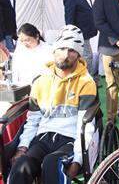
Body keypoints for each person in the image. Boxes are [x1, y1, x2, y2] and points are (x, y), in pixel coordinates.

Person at [8, 25, 97, 183]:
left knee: (52, 162)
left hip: (70, 139)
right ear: (54, 50)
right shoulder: (41, 81)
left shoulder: (86, 82)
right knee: (22, 165)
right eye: (61, 49)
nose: (65, 55)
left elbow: (86, 127)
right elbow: (33, 120)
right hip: (43, 137)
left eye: (71, 51)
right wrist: (22, 147)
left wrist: (78, 160)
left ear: (78, 55)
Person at [63, 0, 97, 77]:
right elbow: (69, 17)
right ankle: (86, 78)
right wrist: (72, 33)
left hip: (86, 32)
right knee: (87, 56)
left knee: (85, 57)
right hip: (80, 33)